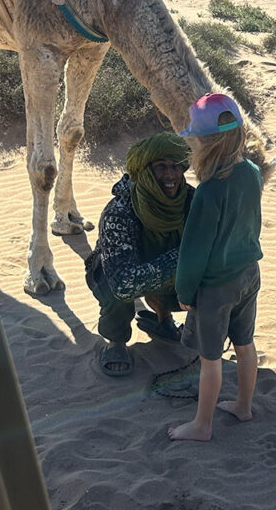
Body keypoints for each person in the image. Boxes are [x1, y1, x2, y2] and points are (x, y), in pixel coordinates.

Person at [167, 93, 263, 442]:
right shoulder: (252, 172)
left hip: (217, 285)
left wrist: (184, 291)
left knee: (211, 359)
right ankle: (243, 405)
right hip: (249, 273)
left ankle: (202, 425)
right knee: (245, 344)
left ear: (204, 145)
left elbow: (194, 251)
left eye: (194, 140)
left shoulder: (208, 192)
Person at [85, 132, 195, 377]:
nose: (170, 175)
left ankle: (163, 320)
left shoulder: (190, 200)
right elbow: (124, 284)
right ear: (145, 172)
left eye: (176, 166)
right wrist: (186, 257)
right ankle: (116, 341)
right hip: (115, 273)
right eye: (161, 167)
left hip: (160, 269)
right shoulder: (120, 211)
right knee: (117, 292)